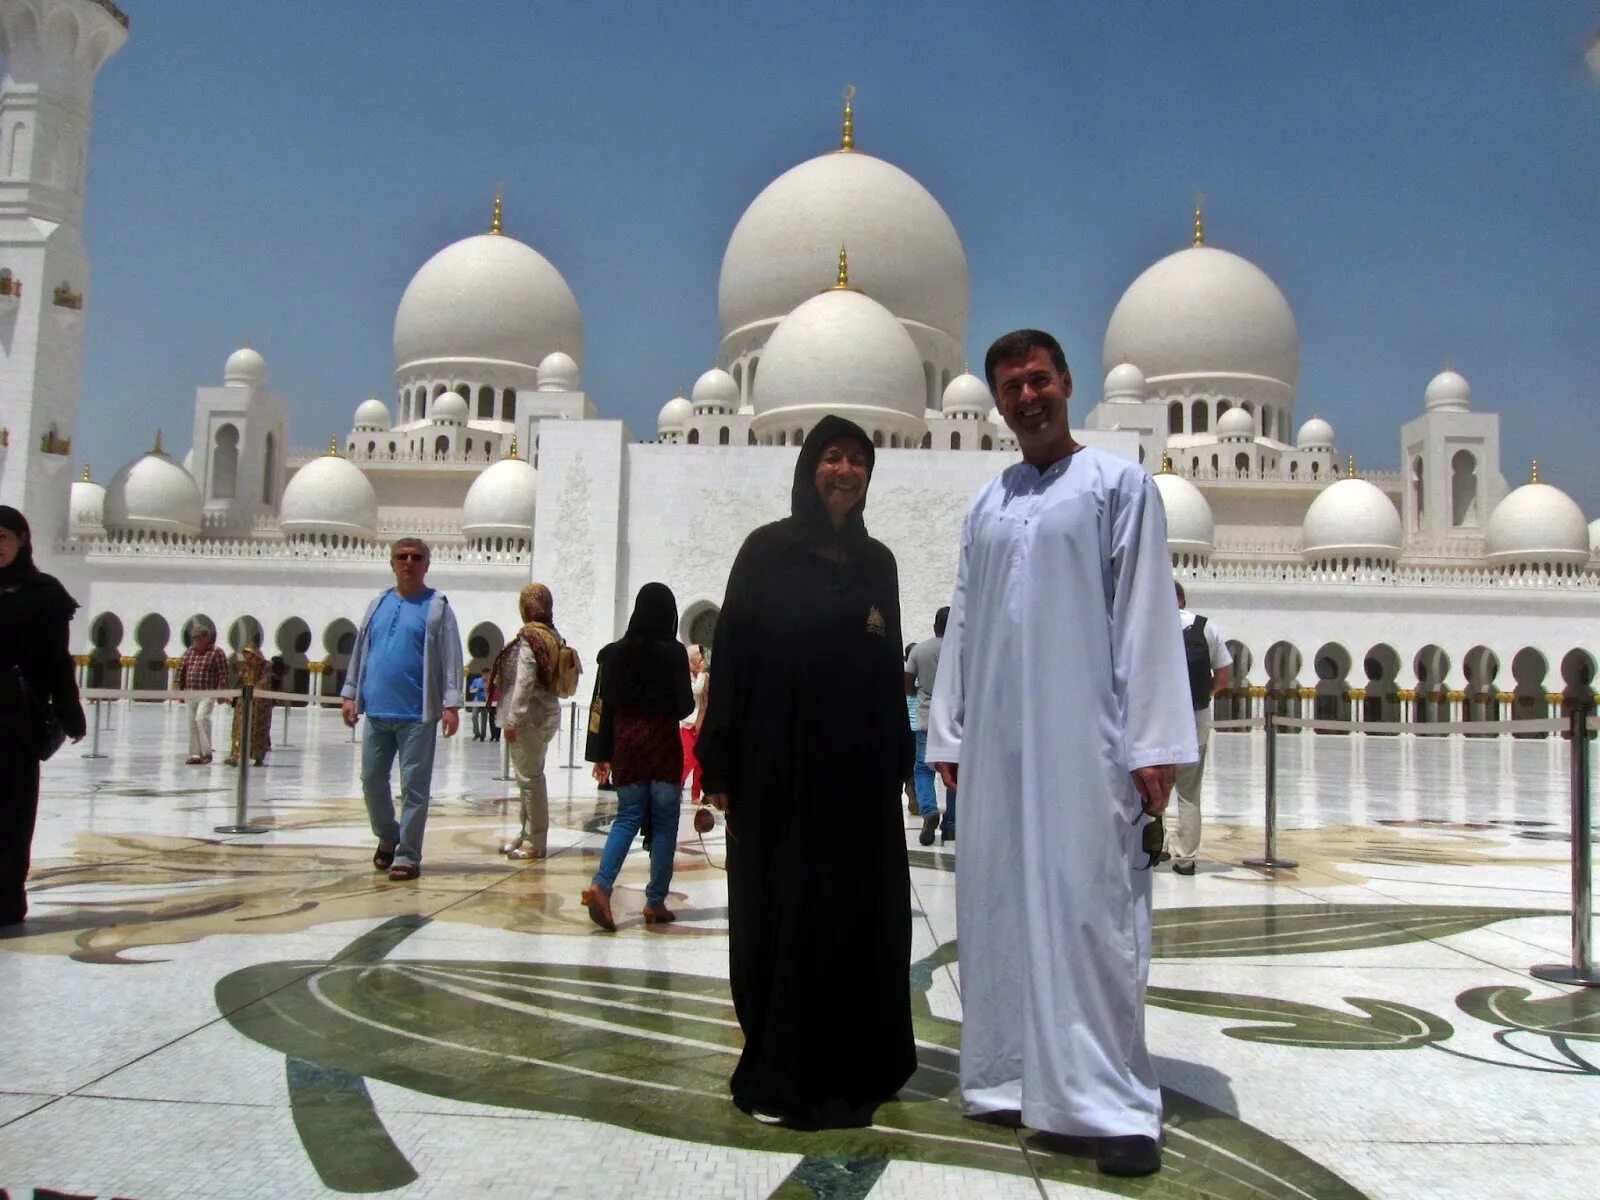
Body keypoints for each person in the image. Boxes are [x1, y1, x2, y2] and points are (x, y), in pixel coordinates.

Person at [927, 330, 1195, 1178]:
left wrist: (1153, 742)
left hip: (1088, 741)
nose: (1026, 398)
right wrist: (951, 730)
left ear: (1067, 383)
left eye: (1038, 380)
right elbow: (964, 621)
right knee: (999, 903)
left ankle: (1108, 1101)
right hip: (1001, 745)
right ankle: (1008, 1076)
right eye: (1010, 387)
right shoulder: (988, 502)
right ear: (996, 401)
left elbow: (1145, 612)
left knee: (1090, 909)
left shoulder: (1119, 485)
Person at [698, 415, 916, 1130]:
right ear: (808, 467)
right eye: (832, 457)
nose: (845, 470)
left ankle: (861, 1064)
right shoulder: (765, 552)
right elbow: (730, 655)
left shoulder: (877, 562)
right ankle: (781, 1067)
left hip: (855, 783)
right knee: (782, 912)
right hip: (778, 772)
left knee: (856, 916)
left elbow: (890, 671)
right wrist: (719, 759)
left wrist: (899, 761)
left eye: (858, 459)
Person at [340, 537, 463, 881]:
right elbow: (361, 650)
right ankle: (389, 835)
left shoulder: (437, 606)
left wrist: (451, 704)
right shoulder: (377, 603)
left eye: (415, 557)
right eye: (401, 557)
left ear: (427, 564)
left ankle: (407, 854)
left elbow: (452, 658)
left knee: (414, 788)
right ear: (392, 563)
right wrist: (351, 693)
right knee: (370, 780)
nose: (408, 562)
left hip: (417, 715)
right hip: (378, 711)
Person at [582, 582, 694, 929]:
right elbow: (684, 706)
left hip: (627, 745)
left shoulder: (615, 654)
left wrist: (602, 754)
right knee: (664, 824)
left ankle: (601, 885)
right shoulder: (674, 653)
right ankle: (655, 901)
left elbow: (606, 705)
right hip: (661, 745)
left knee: (627, 817)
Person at [0, 507, 87, 927]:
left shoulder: (44, 594)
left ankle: (5, 901)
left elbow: (57, 660)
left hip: (16, 720)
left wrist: (70, 713)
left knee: (12, 811)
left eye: (4, 537)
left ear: (22, 541)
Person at [1171, 582, 1232, 875]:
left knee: (1148, 787)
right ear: (1183, 599)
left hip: (1156, 720)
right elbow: (1223, 676)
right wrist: (1205, 694)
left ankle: (1151, 847)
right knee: (1188, 792)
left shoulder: (1149, 624)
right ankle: (1185, 858)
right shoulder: (1207, 628)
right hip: (1196, 718)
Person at [500, 584, 563, 860]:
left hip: (529, 717)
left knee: (530, 780)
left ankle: (536, 840)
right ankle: (526, 833)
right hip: (547, 715)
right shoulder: (552, 634)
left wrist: (512, 718)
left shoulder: (529, 637)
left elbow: (524, 681)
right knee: (529, 777)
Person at [904, 606, 955, 846]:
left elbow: (906, 683)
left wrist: (920, 692)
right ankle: (952, 824)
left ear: (935, 626)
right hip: (955, 717)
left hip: (927, 716)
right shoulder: (963, 650)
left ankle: (929, 811)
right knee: (955, 769)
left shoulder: (920, 650)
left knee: (924, 769)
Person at [174, 621, 228, 764]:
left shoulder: (216, 652)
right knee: (192, 723)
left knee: (201, 718)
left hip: (207, 692)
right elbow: (180, 670)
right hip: (190, 692)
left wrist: (220, 692)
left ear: (206, 638)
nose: (196, 641)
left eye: (198, 638)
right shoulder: (190, 651)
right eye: (194, 638)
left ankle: (206, 753)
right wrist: (178, 689)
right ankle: (195, 754)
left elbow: (223, 674)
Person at [223, 641, 272, 767]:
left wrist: (256, 691)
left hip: (260, 703)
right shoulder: (245, 666)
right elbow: (240, 681)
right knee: (239, 728)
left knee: (258, 729)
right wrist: (233, 694)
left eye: (249, 655)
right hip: (243, 701)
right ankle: (236, 755)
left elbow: (265, 681)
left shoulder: (266, 666)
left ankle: (258, 756)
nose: (247, 658)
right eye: (246, 655)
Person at [679, 644, 708, 803]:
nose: (703, 660)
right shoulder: (686, 677)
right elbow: (696, 690)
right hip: (689, 724)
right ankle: (677, 786)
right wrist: (702, 674)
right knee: (688, 759)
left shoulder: (704, 677)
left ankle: (696, 794)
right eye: (700, 657)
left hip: (702, 724)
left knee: (700, 762)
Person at [467, 671, 488, 740]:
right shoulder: (476, 680)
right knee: (474, 716)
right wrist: (477, 689)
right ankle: (476, 733)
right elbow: (471, 690)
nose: (486, 676)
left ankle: (483, 735)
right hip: (477, 701)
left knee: (484, 718)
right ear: (482, 674)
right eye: (485, 675)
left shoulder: (489, 681)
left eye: (488, 675)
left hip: (485, 701)